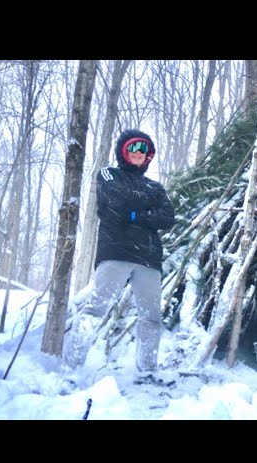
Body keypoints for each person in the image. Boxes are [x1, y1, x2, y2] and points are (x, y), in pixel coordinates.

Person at [63, 129, 175, 377]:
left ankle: (147, 370)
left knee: (151, 317)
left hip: (148, 259)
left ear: (149, 156)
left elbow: (168, 218)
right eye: (134, 147)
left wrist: (136, 215)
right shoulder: (109, 174)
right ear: (124, 150)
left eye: (144, 149)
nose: (139, 153)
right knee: (96, 309)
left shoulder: (154, 186)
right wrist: (146, 213)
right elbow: (115, 201)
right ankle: (70, 368)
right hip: (115, 252)